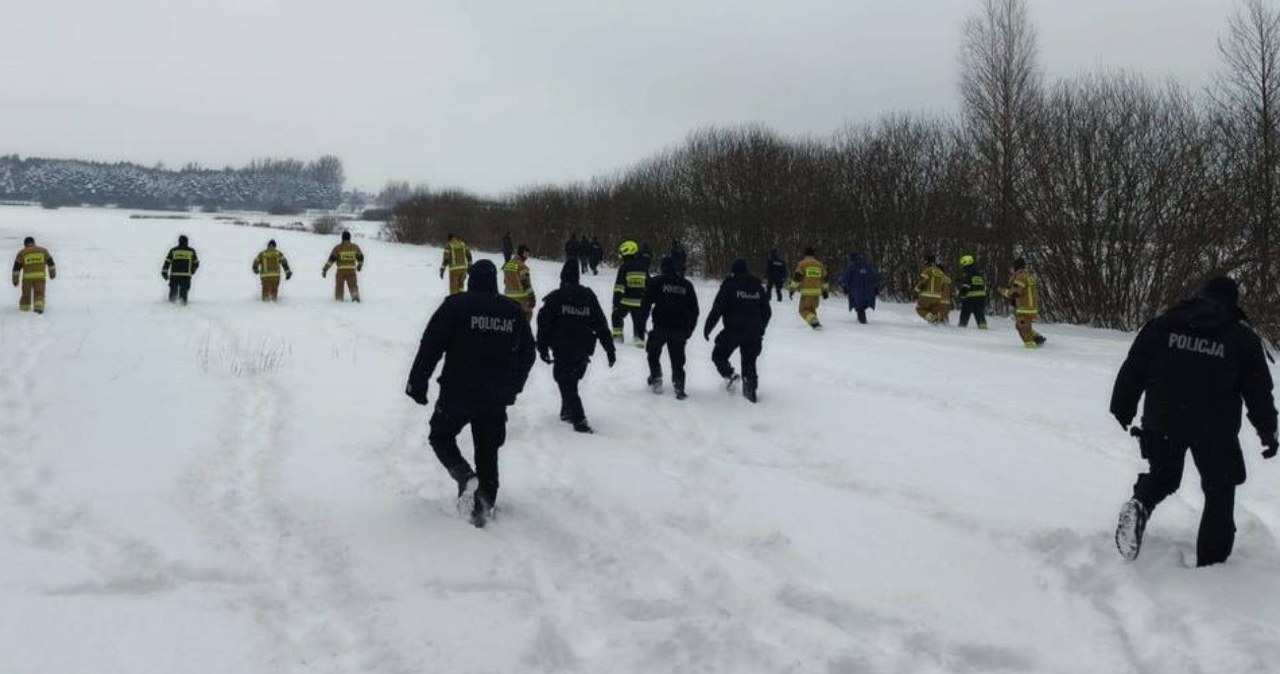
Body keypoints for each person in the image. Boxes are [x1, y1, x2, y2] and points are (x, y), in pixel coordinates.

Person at [1110, 277, 1277, 566]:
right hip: (1215, 430)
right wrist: (1268, 431)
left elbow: (1134, 367)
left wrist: (1123, 406)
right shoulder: (1241, 339)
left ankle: (1140, 504)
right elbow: (1258, 391)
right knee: (1219, 491)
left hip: (1163, 421)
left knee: (1163, 475)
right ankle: (1211, 569)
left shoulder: (1163, 325)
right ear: (1232, 303)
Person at [405, 260, 535, 528]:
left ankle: (464, 475)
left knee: (440, 435)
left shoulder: (455, 305)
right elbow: (528, 353)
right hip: (495, 395)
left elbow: (431, 345)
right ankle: (483, 507)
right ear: (494, 283)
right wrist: (514, 385)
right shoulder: (512, 311)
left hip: (458, 390)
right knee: (487, 451)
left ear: (470, 280)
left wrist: (418, 383)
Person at [536, 259, 617, 433]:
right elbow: (601, 324)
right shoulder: (588, 296)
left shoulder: (556, 297)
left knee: (566, 382)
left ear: (562, 276)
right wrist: (609, 348)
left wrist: (542, 347)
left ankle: (579, 419)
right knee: (570, 381)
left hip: (563, 349)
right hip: (582, 351)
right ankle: (567, 411)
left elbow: (544, 324)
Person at [704, 259, 771, 403]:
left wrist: (708, 328)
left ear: (733, 271)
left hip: (733, 330)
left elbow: (717, 309)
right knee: (749, 362)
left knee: (718, 355)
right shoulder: (757, 286)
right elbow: (767, 311)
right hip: (753, 332)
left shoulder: (729, 285)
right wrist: (761, 329)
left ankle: (730, 376)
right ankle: (750, 392)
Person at [642, 257, 700, 399]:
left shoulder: (657, 281)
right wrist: (689, 330)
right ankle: (679, 386)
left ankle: (656, 378)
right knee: (678, 359)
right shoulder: (686, 285)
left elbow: (646, 303)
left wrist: (641, 323)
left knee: (653, 352)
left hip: (660, 327)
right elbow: (695, 310)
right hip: (679, 330)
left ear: (663, 268)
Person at [999, 257, 1046, 348]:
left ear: (1016, 266)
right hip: (1031, 306)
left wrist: (1002, 291)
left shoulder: (1020, 277)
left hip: (1025, 307)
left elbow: (1015, 293)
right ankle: (1036, 337)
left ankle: (1030, 346)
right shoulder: (1028, 275)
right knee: (1020, 325)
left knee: (1022, 326)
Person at [611, 240, 650, 346]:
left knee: (616, 316)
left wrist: (615, 303)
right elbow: (648, 285)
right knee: (639, 322)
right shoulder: (644, 267)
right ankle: (639, 340)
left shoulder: (624, 267)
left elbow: (619, 287)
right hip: (640, 303)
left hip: (625, 301)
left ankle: (618, 338)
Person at [11, 236, 56, 314]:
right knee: (39, 293)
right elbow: (51, 263)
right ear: (34, 243)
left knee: (26, 294)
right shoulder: (43, 251)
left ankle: (24, 309)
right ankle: (38, 307)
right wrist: (52, 274)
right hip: (40, 277)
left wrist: (15, 280)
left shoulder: (22, 253)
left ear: (25, 244)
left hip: (27, 278)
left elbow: (16, 268)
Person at [789, 247, 828, 328]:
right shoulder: (819, 265)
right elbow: (825, 278)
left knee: (803, 310)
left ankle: (814, 322)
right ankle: (815, 323)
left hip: (807, 292)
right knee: (811, 309)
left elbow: (797, 277)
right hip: (817, 292)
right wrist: (825, 291)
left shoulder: (803, 264)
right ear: (813, 255)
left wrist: (792, 289)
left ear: (805, 255)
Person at [322, 231, 364, 302]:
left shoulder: (338, 248)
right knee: (353, 285)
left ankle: (339, 299)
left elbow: (331, 260)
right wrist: (359, 265)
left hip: (340, 271)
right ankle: (355, 297)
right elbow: (361, 257)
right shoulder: (355, 247)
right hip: (351, 270)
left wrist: (325, 269)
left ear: (342, 238)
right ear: (350, 238)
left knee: (339, 286)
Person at [840, 252, 881, 324]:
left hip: (856, 290)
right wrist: (876, 286)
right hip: (868, 290)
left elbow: (845, 278)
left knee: (858, 305)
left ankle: (862, 322)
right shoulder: (867, 265)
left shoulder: (851, 266)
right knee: (863, 304)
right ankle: (862, 318)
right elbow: (875, 276)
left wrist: (844, 285)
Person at [161, 235, 199, 305]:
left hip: (174, 275)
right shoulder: (191, 251)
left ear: (179, 241)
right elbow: (196, 263)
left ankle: (171, 305)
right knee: (184, 291)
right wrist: (192, 270)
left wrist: (164, 272)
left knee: (173, 290)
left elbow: (167, 262)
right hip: (186, 275)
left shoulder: (173, 250)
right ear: (187, 242)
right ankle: (183, 303)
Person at [502, 244, 536, 321]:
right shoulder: (522, 267)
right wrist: (532, 298)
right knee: (525, 320)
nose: (528, 256)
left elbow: (505, 281)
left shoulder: (509, 264)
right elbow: (526, 284)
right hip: (521, 300)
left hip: (508, 298)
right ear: (523, 253)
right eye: (527, 253)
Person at [956, 254, 988, 329]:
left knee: (965, 312)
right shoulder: (978, 273)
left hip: (971, 297)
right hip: (981, 297)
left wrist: (961, 294)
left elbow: (966, 285)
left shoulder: (967, 272)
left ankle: (962, 326)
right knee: (979, 312)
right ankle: (982, 325)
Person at [914, 255, 946, 324]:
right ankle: (939, 322)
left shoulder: (928, 270)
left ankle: (932, 319)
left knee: (919, 309)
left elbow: (924, 280)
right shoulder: (941, 273)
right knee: (934, 312)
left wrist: (917, 288)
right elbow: (943, 286)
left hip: (927, 295)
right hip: (937, 297)